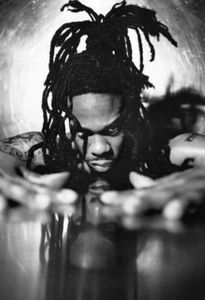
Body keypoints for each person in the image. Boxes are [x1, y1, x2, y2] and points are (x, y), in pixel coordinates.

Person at [0, 0, 205, 218]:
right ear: (69, 123)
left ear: (130, 116)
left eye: (113, 129)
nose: (99, 149)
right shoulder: (54, 149)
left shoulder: (158, 150)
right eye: (84, 133)